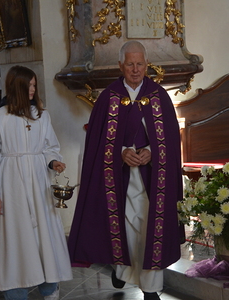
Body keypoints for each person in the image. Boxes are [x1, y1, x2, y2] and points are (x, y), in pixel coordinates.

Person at [67, 41, 183, 300]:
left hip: (151, 179)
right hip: (118, 179)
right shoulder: (108, 97)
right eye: (129, 64)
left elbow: (172, 140)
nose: (135, 69)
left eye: (140, 63)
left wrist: (152, 151)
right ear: (120, 65)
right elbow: (96, 142)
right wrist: (119, 153)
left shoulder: (158, 96)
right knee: (123, 227)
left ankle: (151, 288)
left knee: (149, 227)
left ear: (146, 64)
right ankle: (121, 270)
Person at [0, 65, 73, 300]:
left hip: (39, 184)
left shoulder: (42, 115)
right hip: (11, 185)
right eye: (29, 85)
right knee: (15, 238)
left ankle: (50, 289)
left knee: (45, 237)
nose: (33, 89)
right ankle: (16, 292)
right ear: (16, 87)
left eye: (34, 85)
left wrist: (53, 162)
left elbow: (50, 147)